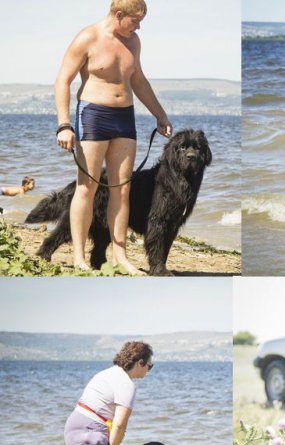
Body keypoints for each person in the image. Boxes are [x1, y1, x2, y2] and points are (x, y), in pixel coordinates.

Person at [54, 0, 172, 274]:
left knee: (123, 189)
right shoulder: (88, 37)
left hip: (124, 118)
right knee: (88, 188)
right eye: (135, 20)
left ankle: (120, 256)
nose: (139, 26)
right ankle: (79, 258)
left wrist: (160, 115)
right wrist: (64, 125)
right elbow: (63, 80)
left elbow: (138, 80)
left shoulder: (134, 42)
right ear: (119, 15)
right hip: (93, 115)